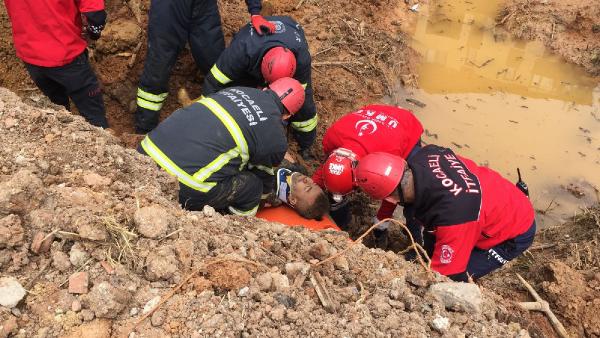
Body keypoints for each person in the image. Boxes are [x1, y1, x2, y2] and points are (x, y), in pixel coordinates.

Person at [353, 147, 536, 281]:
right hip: (496, 198)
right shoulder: (426, 154)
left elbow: (444, 275)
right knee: (432, 247)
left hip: (514, 229)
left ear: (391, 200)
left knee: (457, 277)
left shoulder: (454, 218)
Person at [138, 77, 313, 216]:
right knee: (253, 186)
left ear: (267, 88)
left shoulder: (237, 90)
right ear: (288, 115)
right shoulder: (275, 137)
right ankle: (236, 224)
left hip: (143, 158)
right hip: (182, 187)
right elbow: (264, 179)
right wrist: (263, 199)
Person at [134, 0, 274, 134]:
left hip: (203, 6)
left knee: (216, 63)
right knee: (158, 67)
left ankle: (228, 121)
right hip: (169, 6)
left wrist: (255, 11)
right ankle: (144, 128)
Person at [202, 16, 317, 158]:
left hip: (290, 30)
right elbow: (213, 81)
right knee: (235, 91)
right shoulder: (241, 51)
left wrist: (304, 143)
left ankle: (305, 144)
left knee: (300, 102)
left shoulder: (301, 58)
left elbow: (303, 102)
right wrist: (206, 115)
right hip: (252, 55)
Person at [312, 104, 423, 248]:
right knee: (335, 197)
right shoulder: (330, 139)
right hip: (376, 119)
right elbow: (327, 167)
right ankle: (342, 219)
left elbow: (393, 194)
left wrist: (380, 227)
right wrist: (313, 187)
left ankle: (416, 244)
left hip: (405, 126)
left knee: (412, 191)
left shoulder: (387, 157)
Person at [4, 0, 109, 128]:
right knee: (94, 115)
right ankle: (100, 142)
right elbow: (95, 15)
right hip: (67, 55)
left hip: (30, 54)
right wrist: (93, 34)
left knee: (58, 107)